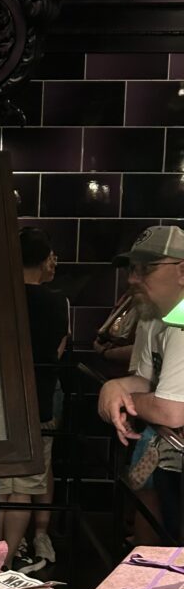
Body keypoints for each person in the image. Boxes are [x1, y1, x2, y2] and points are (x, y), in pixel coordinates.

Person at [97, 225, 184, 540]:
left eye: (146, 268)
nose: (133, 279)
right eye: (132, 269)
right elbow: (145, 380)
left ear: (182, 271)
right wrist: (114, 387)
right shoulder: (153, 316)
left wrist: (123, 397)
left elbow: (170, 411)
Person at [0, 228, 69, 573]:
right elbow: (58, 350)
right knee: (24, 487)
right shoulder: (56, 302)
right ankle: (9, 558)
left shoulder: (0, 297)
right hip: (38, 401)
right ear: (43, 261)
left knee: (0, 487)